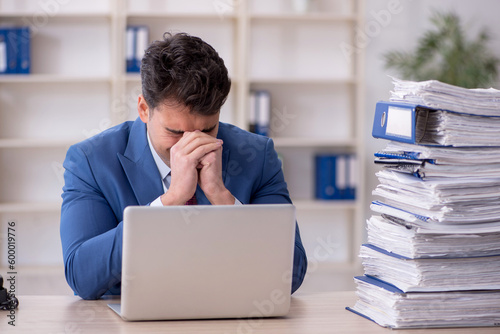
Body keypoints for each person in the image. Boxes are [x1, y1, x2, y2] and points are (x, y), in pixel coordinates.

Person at [60, 32, 308, 300]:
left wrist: (222, 198)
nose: (191, 145)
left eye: (207, 129)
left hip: (230, 315)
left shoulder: (257, 156)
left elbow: (291, 275)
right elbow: (81, 277)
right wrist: (171, 200)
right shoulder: (91, 160)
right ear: (144, 109)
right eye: (175, 131)